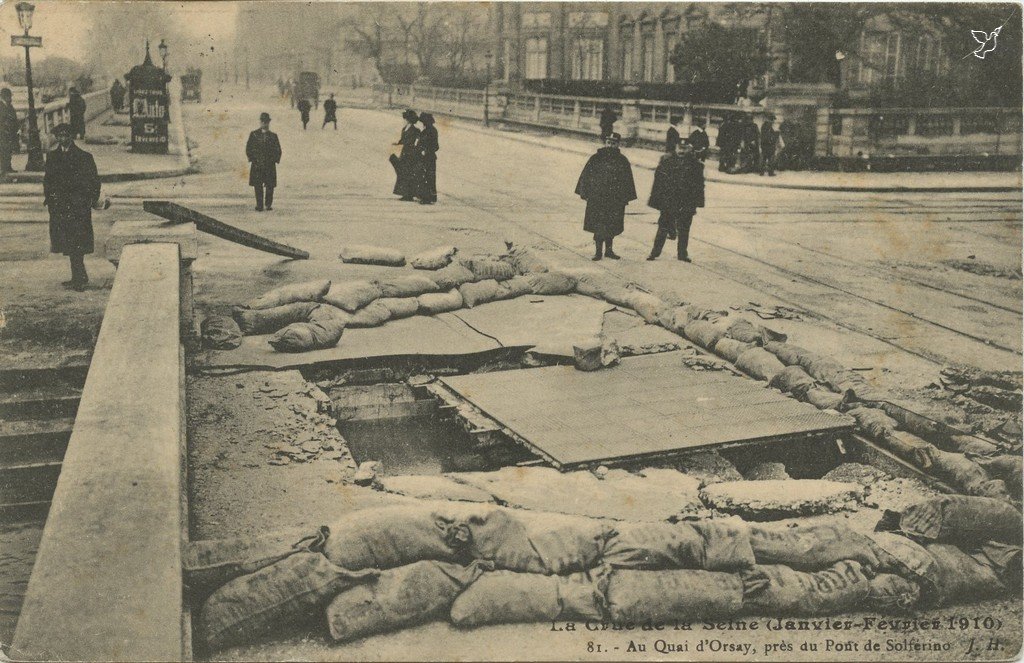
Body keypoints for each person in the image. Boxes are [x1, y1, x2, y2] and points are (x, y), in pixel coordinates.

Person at [44, 123, 101, 291]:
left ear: (71, 136)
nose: (63, 139)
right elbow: (48, 181)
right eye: (59, 136)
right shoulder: (53, 157)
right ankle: (78, 276)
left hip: (78, 207)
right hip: (60, 206)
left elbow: (94, 181)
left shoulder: (84, 157)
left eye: (65, 135)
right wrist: (50, 199)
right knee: (68, 242)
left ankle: (79, 278)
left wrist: (90, 200)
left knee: (77, 242)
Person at [575, 132, 636, 261]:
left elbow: (627, 181)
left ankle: (609, 251)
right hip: (598, 199)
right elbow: (586, 176)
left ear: (618, 144)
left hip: (615, 201)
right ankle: (598, 252)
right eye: (608, 142)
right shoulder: (596, 158)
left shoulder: (622, 161)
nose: (610, 145)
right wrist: (584, 192)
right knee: (598, 225)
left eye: (613, 143)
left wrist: (625, 198)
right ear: (605, 143)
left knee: (612, 225)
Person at [646, 139, 704, 263]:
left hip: (686, 202)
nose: (681, 151)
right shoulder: (666, 161)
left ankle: (682, 254)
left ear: (690, 149)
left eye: (684, 148)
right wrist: (656, 200)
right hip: (669, 201)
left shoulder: (696, 165)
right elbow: (658, 182)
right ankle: (654, 252)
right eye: (679, 147)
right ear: (675, 147)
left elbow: (699, 186)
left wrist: (697, 203)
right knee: (663, 227)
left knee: (684, 229)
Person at [246, 112, 282, 212]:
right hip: (257, 164)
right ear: (260, 122)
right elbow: (249, 148)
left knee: (270, 185)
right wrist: (252, 158)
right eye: (262, 121)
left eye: (266, 122)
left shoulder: (273, 136)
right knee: (258, 185)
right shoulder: (254, 134)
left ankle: (268, 204)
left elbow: (278, 150)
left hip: (269, 164)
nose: (264, 123)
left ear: (269, 123)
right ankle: (259, 205)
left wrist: (274, 159)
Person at [392, 109, 420, 201]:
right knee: (403, 173)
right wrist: (398, 143)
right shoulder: (404, 129)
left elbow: (415, 141)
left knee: (408, 173)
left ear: (408, 120)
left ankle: (409, 194)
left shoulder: (415, 130)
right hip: (404, 153)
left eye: (405, 119)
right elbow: (402, 140)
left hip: (411, 153)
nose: (403, 120)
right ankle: (405, 193)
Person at [415, 113, 438, 204]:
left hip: (429, 157)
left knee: (428, 176)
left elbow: (436, 146)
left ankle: (428, 197)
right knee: (425, 176)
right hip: (424, 157)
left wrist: (426, 151)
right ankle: (428, 196)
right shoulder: (425, 130)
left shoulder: (432, 131)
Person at [0, 88, 19, 174]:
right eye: (9, 96)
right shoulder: (1, 106)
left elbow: (14, 118)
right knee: (3, 149)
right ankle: (4, 167)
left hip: (10, 132)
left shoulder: (10, 106)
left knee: (8, 149)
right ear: (4, 96)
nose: (10, 98)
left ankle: (7, 166)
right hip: (2, 133)